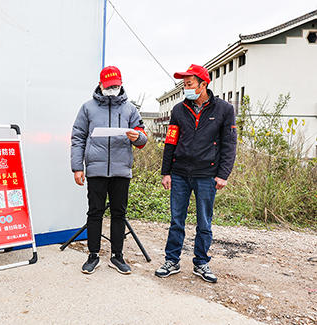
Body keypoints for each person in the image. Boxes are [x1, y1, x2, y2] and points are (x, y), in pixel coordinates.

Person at [155, 64, 237, 283]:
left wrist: (223, 174)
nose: (186, 87)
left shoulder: (224, 110)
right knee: (176, 221)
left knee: (204, 223)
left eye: (189, 83)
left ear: (203, 84)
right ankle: (171, 260)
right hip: (180, 174)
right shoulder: (179, 110)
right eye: (184, 84)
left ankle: (201, 263)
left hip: (207, 175)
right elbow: (170, 142)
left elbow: (229, 145)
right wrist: (166, 172)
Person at [71, 66, 147, 275]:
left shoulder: (131, 109)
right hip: (95, 169)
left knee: (118, 213)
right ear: (100, 84)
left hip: (121, 170)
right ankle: (93, 254)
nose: (112, 89)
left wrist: (138, 137)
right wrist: (78, 167)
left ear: (121, 83)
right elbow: (77, 138)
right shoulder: (87, 108)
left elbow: (142, 138)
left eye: (115, 85)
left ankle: (117, 256)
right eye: (108, 85)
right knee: (95, 212)